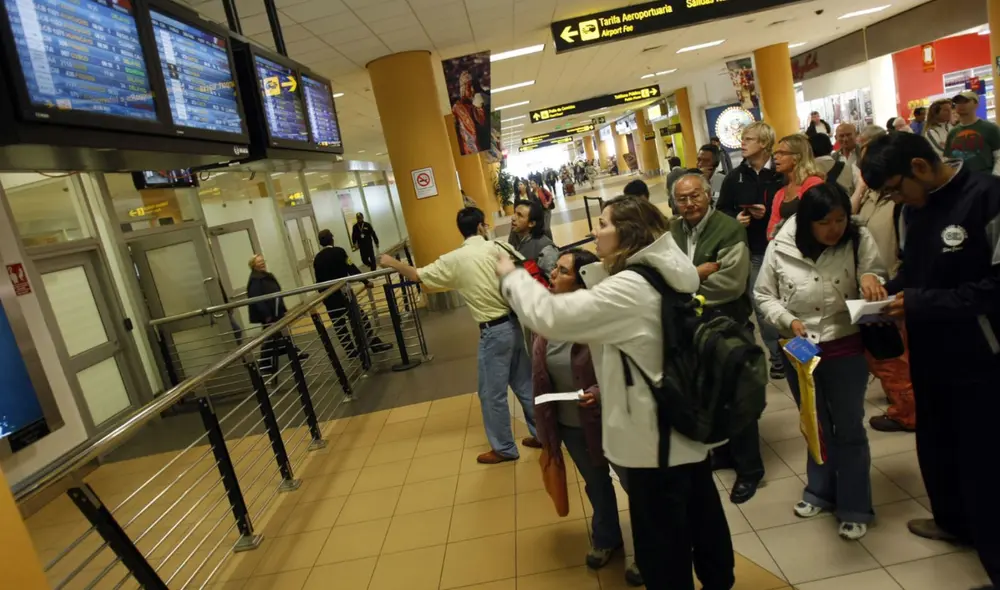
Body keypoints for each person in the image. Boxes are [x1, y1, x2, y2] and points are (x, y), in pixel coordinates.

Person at [496, 196, 735, 590]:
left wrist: (512, 275)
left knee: (662, 549)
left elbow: (550, 316)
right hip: (686, 425)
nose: (595, 231)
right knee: (703, 520)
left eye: (604, 223)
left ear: (629, 233)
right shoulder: (670, 269)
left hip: (650, 441)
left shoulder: (631, 287)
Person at [861, 132, 1000, 588]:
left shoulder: (987, 197)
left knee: (983, 459)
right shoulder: (910, 211)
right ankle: (953, 523)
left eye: (897, 189)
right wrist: (887, 290)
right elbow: (912, 271)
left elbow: (995, 290)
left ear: (920, 167)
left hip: (981, 354)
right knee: (936, 443)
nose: (896, 200)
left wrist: (919, 301)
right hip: (928, 348)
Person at [754, 182, 886, 540]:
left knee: (848, 427)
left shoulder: (857, 238)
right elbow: (764, 295)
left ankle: (856, 505)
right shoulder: (781, 245)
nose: (835, 228)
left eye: (841, 219)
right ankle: (820, 491)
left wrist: (873, 278)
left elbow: (876, 274)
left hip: (845, 345)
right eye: (825, 222)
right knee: (814, 424)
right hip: (800, 349)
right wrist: (788, 321)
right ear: (808, 221)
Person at [379, 207, 540, 463]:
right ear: (480, 226)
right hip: (513, 325)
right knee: (524, 383)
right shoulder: (497, 249)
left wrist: (391, 263)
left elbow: (417, 275)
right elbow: (518, 277)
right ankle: (542, 434)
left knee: (491, 394)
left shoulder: (454, 259)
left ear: (461, 230)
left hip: (493, 332)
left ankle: (504, 448)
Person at [531, 247, 642, 587]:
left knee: (634, 484)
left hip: (609, 418)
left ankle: (650, 548)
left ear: (581, 280)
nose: (553, 274)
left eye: (562, 271)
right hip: (569, 423)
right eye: (556, 270)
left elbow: (625, 365)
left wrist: (598, 391)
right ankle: (607, 536)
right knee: (595, 483)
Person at [670, 173, 763, 504]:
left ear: (708, 195)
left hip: (728, 324)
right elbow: (664, 274)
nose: (689, 204)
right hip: (694, 330)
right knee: (707, 395)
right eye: (682, 199)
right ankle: (724, 453)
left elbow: (731, 284)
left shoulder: (729, 229)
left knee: (738, 397)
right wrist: (695, 276)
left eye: (695, 196)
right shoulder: (672, 232)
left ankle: (750, 470)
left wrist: (682, 286)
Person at [849, 128, 916, 432]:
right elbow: (851, 220)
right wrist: (861, 189)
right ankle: (902, 407)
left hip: (897, 284)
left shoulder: (905, 200)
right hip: (878, 285)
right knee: (887, 359)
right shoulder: (874, 193)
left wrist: (897, 285)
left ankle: (909, 413)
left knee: (900, 360)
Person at [717, 121, 785, 378]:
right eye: (742, 138)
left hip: (784, 250)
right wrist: (736, 218)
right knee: (763, 305)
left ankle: (799, 350)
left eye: (749, 138)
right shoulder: (735, 177)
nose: (742, 143)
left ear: (765, 143)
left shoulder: (780, 174)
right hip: (755, 251)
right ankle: (777, 356)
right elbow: (722, 209)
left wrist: (774, 214)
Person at [313, 230, 392, 359]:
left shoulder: (317, 258)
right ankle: (372, 343)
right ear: (332, 239)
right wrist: (365, 281)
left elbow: (318, 280)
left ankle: (350, 350)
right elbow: (352, 268)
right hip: (344, 294)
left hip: (329, 297)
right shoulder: (339, 252)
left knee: (339, 324)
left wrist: (324, 297)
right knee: (360, 317)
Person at [247, 255, 305, 374]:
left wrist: (283, 308)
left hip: (277, 310)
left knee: (279, 334)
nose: (262, 263)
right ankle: (267, 362)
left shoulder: (266, 276)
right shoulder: (255, 280)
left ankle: (291, 353)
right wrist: (267, 315)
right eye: (259, 262)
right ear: (253, 265)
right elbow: (258, 299)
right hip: (270, 314)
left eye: (263, 261)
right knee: (272, 337)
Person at [767, 134, 825, 239]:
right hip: (783, 247)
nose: (775, 157)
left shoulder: (813, 183)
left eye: (782, 153)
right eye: (776, 153)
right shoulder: (780, 193)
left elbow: (818, 222)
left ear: (797, 157)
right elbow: (771, 232)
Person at [945, 90, 1000, 175]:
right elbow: (950, 160)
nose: (961, 105)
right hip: (962, 181)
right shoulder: (952, 133)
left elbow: (998, 156)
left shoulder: (990, 128)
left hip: (985, 178)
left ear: (976, 104)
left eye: (966, 101)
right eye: (958, 102)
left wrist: (995, 178)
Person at [507, 200, 559, 275]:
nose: (513, 218)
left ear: (531, 223)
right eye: (514, 213)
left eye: (519, 215)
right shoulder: (515, 239)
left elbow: (553, 281)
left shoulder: (545, 249)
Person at [451, 71, 488, 155]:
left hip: (478, 148)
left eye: (473, 86)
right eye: (469, 86)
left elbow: (481, 121)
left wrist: (479, 108)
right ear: (463, 88)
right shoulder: (457, 107)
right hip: (467, 150)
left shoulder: (474, 104)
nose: (472, 90)